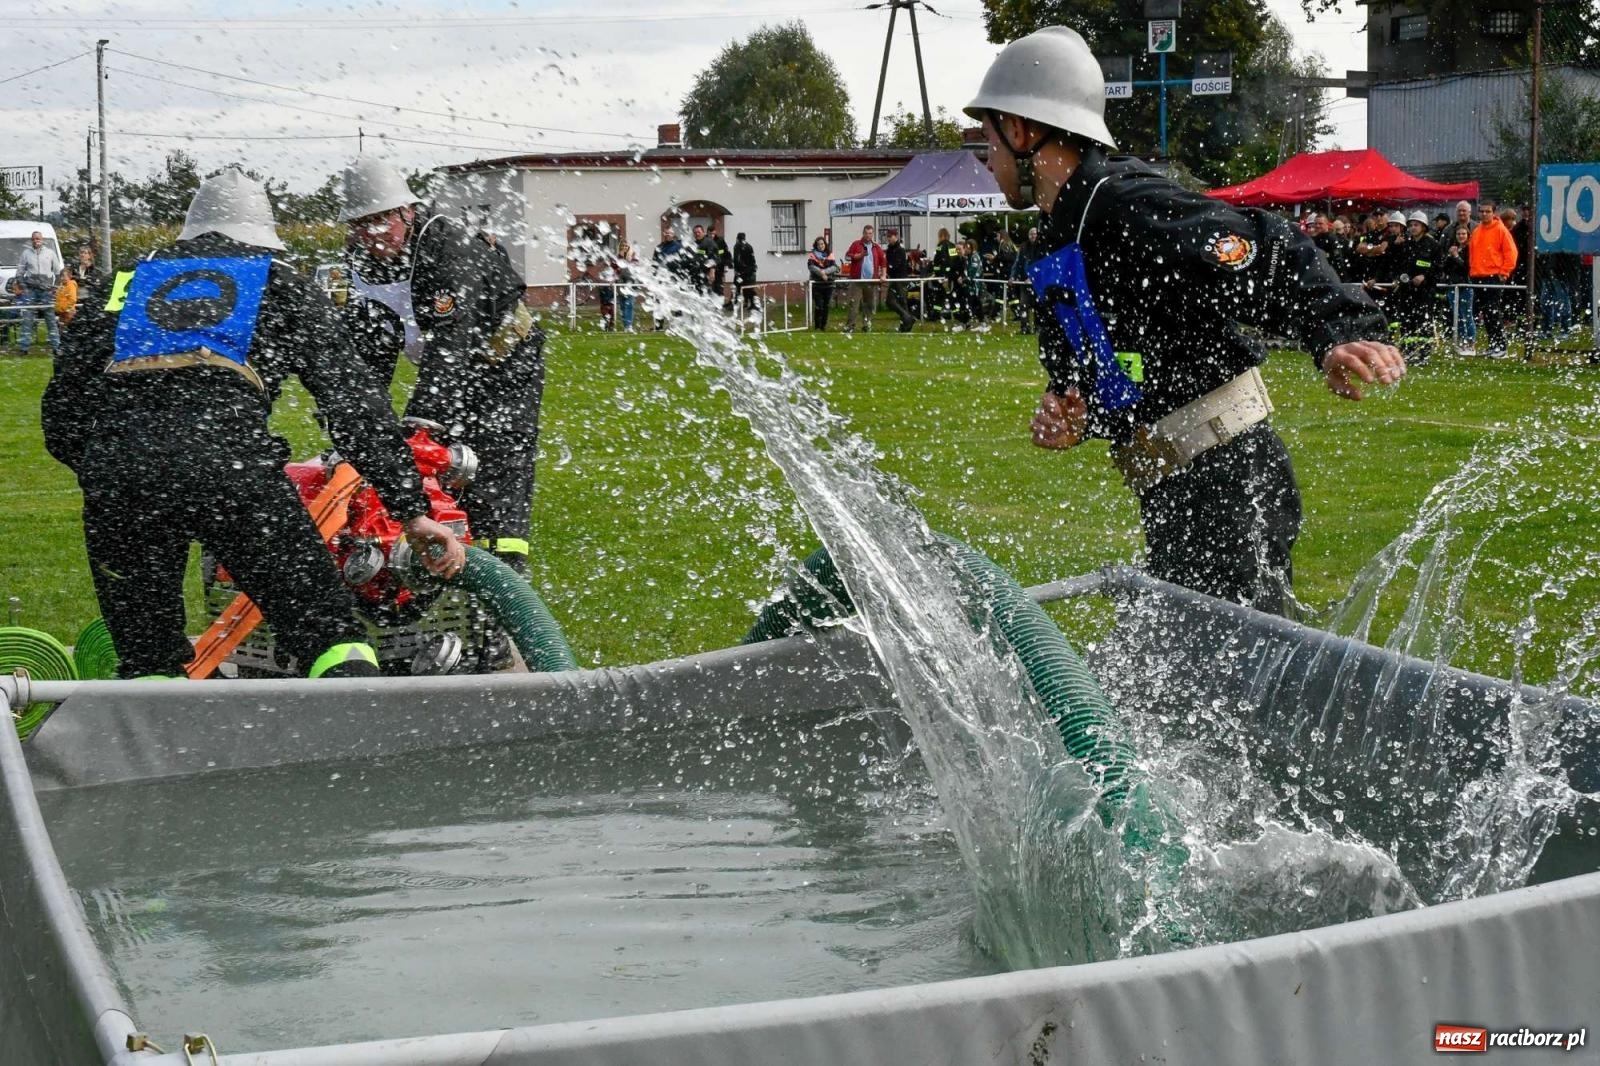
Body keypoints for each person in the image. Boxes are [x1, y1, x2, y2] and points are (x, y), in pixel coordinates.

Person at [966, 25, 1403, 615]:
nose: (987, 159)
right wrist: (1074, 407)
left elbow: (1269, 248)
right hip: (1174, 487)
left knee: (1232, 664)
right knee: (1190, 663)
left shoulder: (1125, 203)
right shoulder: (1058, 234)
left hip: (1228, 480)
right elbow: (1113, 358)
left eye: (988, 139)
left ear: (1020, 130)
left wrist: (1339, 330)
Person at [41, 169, 464, 680]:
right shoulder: (276, 278)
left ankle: (157, 715)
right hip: (234, 470)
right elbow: (356, 408)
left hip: (122, 478)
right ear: (262, 233)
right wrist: (411, 510)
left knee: (148, 656)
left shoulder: (124, 281)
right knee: (328, 633)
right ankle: (356, 707)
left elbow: (61, 416)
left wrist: (122, 465)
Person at [340, 156, 545, 576]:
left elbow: (451, 345)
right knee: (443, 473)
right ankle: (444, 566)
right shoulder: (361, 263)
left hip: (504, 368)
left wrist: (420, 424)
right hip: (450, 366)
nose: (371, 235)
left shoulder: (449, 249)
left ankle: (506, 577)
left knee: (493, 468)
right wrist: (358, 419)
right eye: (361, 225)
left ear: (407, 211)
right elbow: (371, 348)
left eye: (380, 221)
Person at [1468, 199, 1517, 355]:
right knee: (1487, 313)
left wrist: (1504, 272)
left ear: (1494, 213)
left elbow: (1511, 253)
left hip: (1493, 276)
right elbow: (1472, 254)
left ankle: (1501, 346)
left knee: (1492, 312)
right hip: (1478, 276)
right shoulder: (1477, 231)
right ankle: (1493, 344)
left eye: (1487, 211)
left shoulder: (1501, 230)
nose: (1484, 214)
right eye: (1482, 211)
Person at [15, 230, 63, 355]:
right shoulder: (25, 254)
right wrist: (24, 287)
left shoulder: (50, 253)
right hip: (31, 290)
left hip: (46, 291)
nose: (36, 241)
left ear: (42, 240)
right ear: (31, 240)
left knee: (50, 319)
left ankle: (56, 347)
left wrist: (54, 288)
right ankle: (24, 348)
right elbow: (19, 273)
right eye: (34, 239)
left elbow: (58, 273)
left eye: (38, 238)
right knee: (27, 319)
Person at [1437, 222, 1475, 349]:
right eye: (1458, 234)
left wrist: (1456, 256)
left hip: (1465, 285)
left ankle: (1471, 342)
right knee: (1457, 315)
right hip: (1452, 285)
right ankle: (1462, 340)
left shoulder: (1470, 249)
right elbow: (1445, 268)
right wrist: (1449, 257)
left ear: (1468, 235)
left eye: (1463, 234)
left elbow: (1466, 269)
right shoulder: (1453, 248)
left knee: (1467, 315)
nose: (1461, 236)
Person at [843, 223, 885, 332]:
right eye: (866, 233)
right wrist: (858, 256)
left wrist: (883, 275)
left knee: (869, 305)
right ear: (863, 233)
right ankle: (850, 327)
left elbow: (883, 261)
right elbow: (847, 256)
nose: (868, 235)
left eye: (870, 233)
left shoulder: (876, 247)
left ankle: (866, 326)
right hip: (857, 280)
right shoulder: (856, 244)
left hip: (871, 281)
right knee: (854, 304)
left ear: (873, 234)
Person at [883, 228, 916, 333]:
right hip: (894, 279)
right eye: (887, 236)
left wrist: (887, 268)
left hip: (900, 279)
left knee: (901, 302)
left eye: (890, 236)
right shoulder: (890, 250)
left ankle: (906, 323)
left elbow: (896, 265)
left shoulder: (900, 250)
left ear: (896, 237)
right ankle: (907, 319)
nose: (888, 238)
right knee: (891, 301)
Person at [806, 236, 838, 331]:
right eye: (819, 244)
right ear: (816, 245)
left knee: (826, 306)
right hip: (817, 284)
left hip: (828, 284)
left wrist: (825, 272)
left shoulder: (830, 254)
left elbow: (834, 267)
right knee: (819, 306)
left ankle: (823, 326)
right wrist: (821, 273)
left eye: (822, 244)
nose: (821, 246)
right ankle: (817, 326)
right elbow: (811, 266)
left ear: (825, 244)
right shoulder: (812, 255)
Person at [616, 239, 639, 331]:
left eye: (626, 246)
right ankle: (626, 324)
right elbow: (614, 269)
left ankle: (629, 325)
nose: (624, 248)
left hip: (630, 283)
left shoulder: (633, 258)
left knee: (629, 304)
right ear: (620, 247)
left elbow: (637, 268)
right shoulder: (617, 258)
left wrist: (630, 261)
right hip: (620, 283)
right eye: (623, 246)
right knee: (622, 305)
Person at [732, 231, 758, 314]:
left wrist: (736, 270)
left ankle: (735, 304)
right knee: (749, 288)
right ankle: (752, 304)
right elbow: (752, 259)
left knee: (737, 287)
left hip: (742, 272)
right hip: (749, 271)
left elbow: (736, 260)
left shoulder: (737, 246)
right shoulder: (749, 246)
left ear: (737, 239)